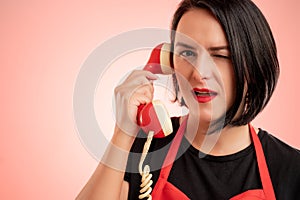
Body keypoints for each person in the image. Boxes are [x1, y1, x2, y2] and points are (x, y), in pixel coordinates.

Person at [76, 0, 300, 199]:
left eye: (221, 55)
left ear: (254, 66)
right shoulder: (144, 147)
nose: (198, 72)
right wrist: (122, 133)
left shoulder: (291, 169)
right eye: (187, 54)